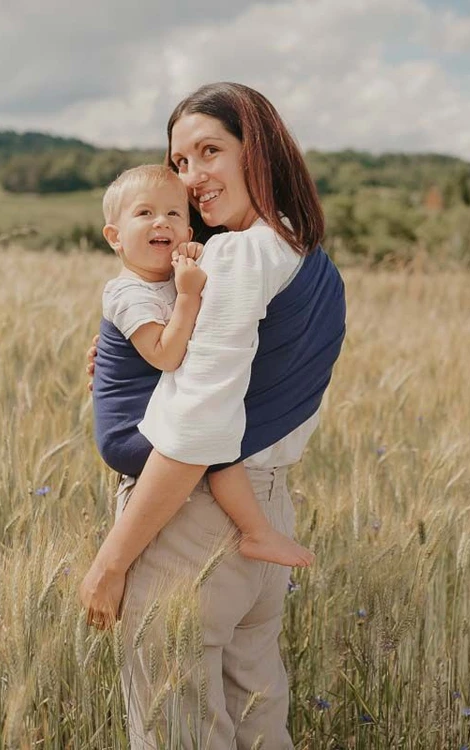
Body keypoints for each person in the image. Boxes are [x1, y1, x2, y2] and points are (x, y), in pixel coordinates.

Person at [81, 82, 346, 749]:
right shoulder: (310, 259)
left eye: (210, 151)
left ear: (259, 148)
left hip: (191, 518)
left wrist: (112, 561)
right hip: (264, 516)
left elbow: (197, 427)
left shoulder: (233, 256)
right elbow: (266, 381)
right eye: (180, 161)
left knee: (179, 731)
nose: (192, 176)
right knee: (259, 724)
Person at [98, 162, 314, 567]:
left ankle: (257, 532)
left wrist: (198, 263)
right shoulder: (127, 293)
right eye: (144, 213)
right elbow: (166, 355)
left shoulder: (174, 273)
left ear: (187, 231)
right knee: (211, 438)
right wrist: (188, 296)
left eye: (174, 213)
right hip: (129, 431)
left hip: (150, 414)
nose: (161, 221)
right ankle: (256, 532)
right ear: (115, 237)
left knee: (211, 428)